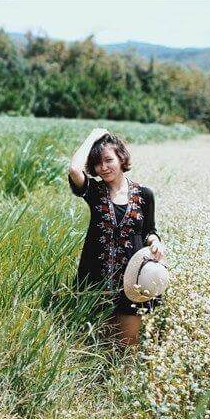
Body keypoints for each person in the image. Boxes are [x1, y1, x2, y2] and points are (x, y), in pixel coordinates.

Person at [67, 128, 165, 350]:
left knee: (128, 346)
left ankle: (123, 381)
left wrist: (156, 242)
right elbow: (74, 168)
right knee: (96, 346)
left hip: (132, 279)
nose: (103, 167)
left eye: (109, 160)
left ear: (122, 158)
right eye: (97, 163)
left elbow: (149, 230)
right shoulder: (94, 191)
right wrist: (93, 136)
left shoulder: (144, 195)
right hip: (95, 277)